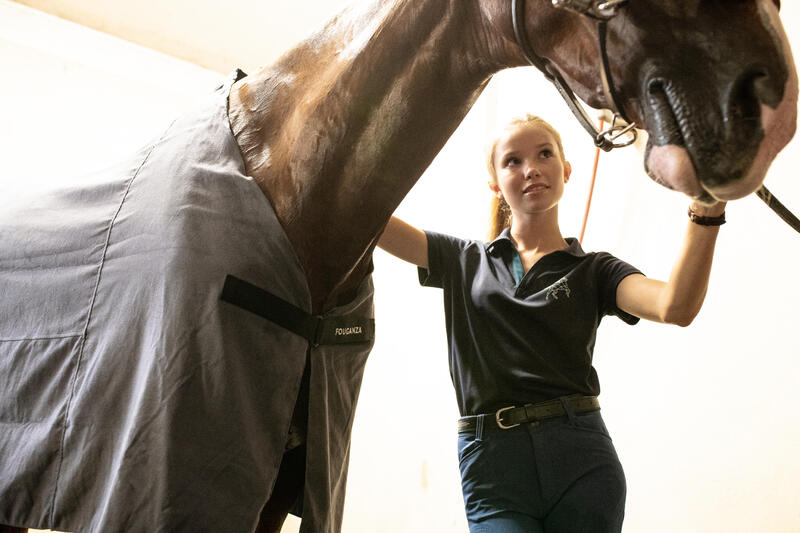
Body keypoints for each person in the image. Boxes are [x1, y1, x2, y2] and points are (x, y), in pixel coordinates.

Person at [377, 114, 726, 533]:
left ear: (566, 170)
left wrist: (706, 207)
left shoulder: (595, 270)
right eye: (512, 161)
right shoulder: (462, 260)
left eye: (544, 154)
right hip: (493, 468)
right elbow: (369, 218)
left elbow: (676, 306)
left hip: (581, 460)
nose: (531, 169)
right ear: (494, 183)